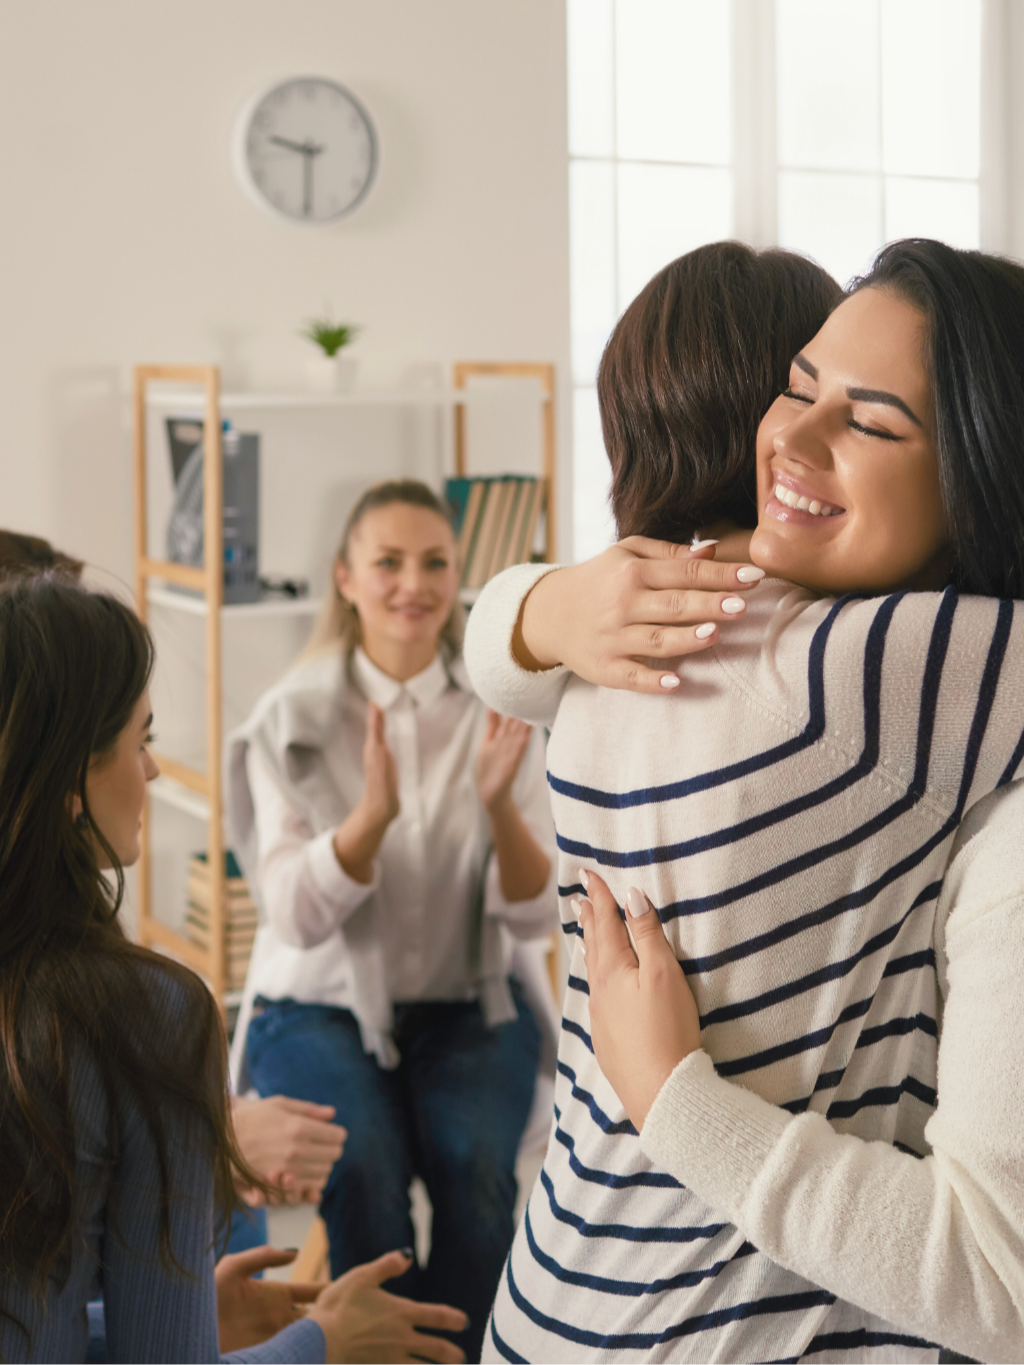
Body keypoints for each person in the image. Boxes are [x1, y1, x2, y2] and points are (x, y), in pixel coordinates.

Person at [464, 240, 1024, 1363]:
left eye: (872, 423)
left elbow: (496, 656)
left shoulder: (614, 653)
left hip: (544, 1307)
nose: (795, 440)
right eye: (798, 388)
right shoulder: (868, 674)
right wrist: (676, 1100)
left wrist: (542, 606)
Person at [0, 573, 468, 1363]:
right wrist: (323, 1342)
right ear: (73, 774)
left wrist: (172, 1319)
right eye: (141, 741)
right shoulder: (150, 1015)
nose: (153, 771)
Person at [226, 480, 560, 1364]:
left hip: (470, 1000)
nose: (414, 583)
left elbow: (537, 912)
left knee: (476, 1173)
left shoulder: (503, 707)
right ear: (345, 577)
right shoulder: (289, 719)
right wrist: (368, 821)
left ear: (458, 575)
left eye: (435, 562)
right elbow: (292, 915)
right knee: (365, 1171)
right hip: (317, 1006)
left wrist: (500, 806)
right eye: (388, 562)